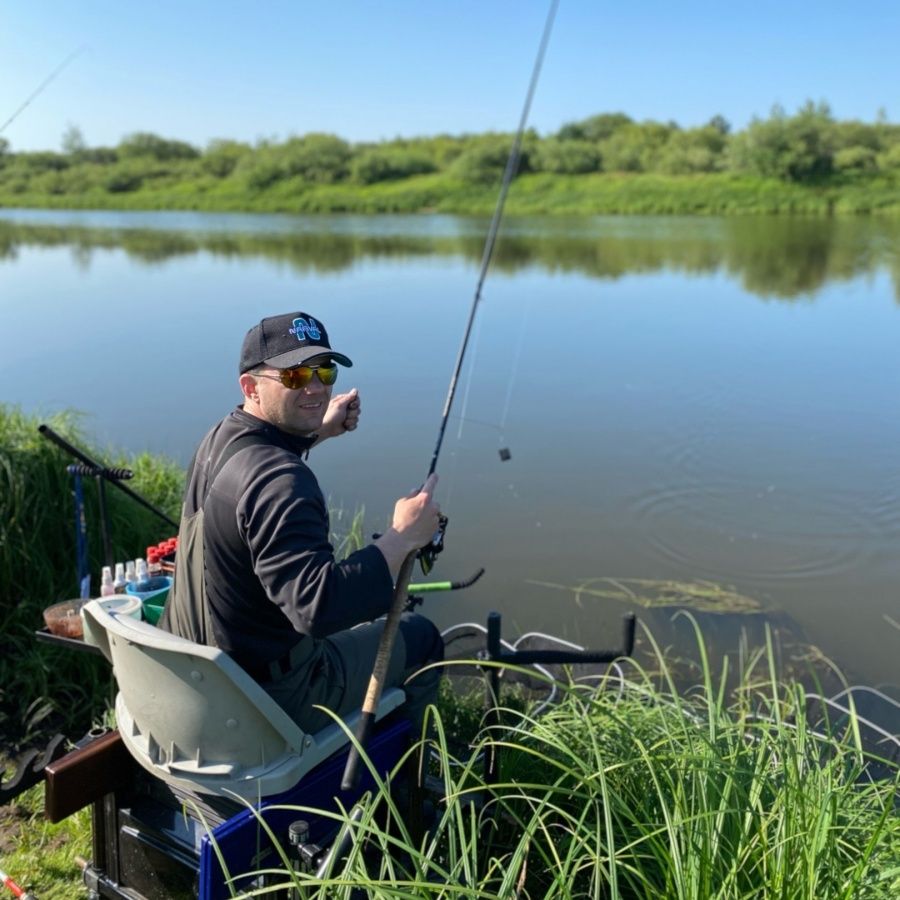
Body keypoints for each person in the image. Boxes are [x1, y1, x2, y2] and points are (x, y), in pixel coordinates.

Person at [159, 311, 444, 737]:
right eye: (294, 376)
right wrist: (401, 539)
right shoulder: (282, 482)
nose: (315, 387)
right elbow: (320, 609)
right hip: (268, 698)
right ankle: (411, 778)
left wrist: (316, 431)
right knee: (420, 637)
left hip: (199, 674)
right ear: (250, 386)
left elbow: (259, 466)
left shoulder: (219, 439)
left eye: (323, 371)